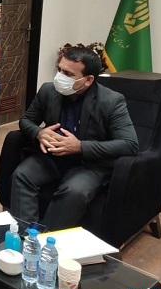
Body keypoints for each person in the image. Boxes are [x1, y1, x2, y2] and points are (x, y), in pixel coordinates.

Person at [10, 46, 138, 231]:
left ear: (88, 80)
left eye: (68, 74)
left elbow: (129, 144)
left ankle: (47, 241)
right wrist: (39, 132)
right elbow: (26, 120)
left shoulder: (112, 101)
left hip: (89, 164)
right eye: (59, 69)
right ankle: (25, 236)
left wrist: (80, 146)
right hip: (53, 157)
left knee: (75, 191)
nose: (60, 76)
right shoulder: (48, 90)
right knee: (22, 175)